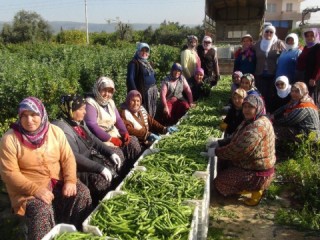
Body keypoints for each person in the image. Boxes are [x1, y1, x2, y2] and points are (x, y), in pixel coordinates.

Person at [0, 97, 92, 240]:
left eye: (33, 114)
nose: (29, 120)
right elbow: (9, 173)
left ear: (42, 114)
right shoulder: (10, 139)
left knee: (82, 193)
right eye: (24, 115)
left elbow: (68, 158)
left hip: (57, 182)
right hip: (27, 191)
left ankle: (74, 233)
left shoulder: (55, 132)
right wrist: (35, 189)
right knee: (41, 209)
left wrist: (70, 180)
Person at [53, 94, 125, 205]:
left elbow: (92, 138)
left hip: (90, 157)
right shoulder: (63, 129)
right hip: (78, 169)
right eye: (81, 109)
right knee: (102, 180)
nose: (84, 112)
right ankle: (101, 204)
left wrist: (109, 153)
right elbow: (74, 157)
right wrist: (99, 168)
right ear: (71, 110)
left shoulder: (78, 121)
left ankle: (116, 192)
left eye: (85, 108)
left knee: (116, 156)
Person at [207, 95, 276, 206]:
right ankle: (247, 186)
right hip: (249, 163)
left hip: (258, 172)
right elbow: (235, 137)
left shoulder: (258, 126)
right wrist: (220, 142)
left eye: (251, 107)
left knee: (219, 184)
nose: (247, 110)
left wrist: (216, 152)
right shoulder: (249, 121)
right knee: (223, 162)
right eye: (245, 107)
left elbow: (239, 150)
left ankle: (256, 190)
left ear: (258, 108)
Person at [84, 76, 142, 166]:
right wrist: (110, 139)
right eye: (104, 90)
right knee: (117, 154)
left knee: (133, 142)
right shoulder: (91, 103)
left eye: (110, 91)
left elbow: (118, 119)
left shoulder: (110, 102)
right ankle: (121, 175)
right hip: (101, 139)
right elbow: (91, 125)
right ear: (98, 89)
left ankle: (135, 166)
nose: (107, 94)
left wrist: (124, 133)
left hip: (115, 133)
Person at [254, 25, 286, 112]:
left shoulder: (278, 43)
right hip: (260, 74)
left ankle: (271, 112)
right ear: (263, 33)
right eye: (267, 31)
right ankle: (261, 111)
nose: (268, 33)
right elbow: (250, 53)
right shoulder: (258, 44)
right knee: (261, 94)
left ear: (274, 33)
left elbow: (287, 52)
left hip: (273, 74)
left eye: (271, 32)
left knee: (271, 94)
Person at [126, 42, 158, 117]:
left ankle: (150, 125)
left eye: (146, 51)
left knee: (151, 111)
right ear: (138, 51)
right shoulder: (134, 63)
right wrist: (136, 93)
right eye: (142, 50)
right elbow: (130, 79)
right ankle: (145, 127)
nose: (144, 53)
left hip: (151, 92)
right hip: (143, 92)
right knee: (143, 112)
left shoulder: (147, 63)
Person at [296, 28, 320, 106]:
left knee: (311, 96)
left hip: (312, 77)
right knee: (303, 95)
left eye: (312, 35)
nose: (309, 37)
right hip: (304, 75)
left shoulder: (318, 47)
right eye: (307, 36)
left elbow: (318, 64)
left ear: (316, 36)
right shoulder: (306, 47)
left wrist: (314, 78)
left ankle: (313, 113)